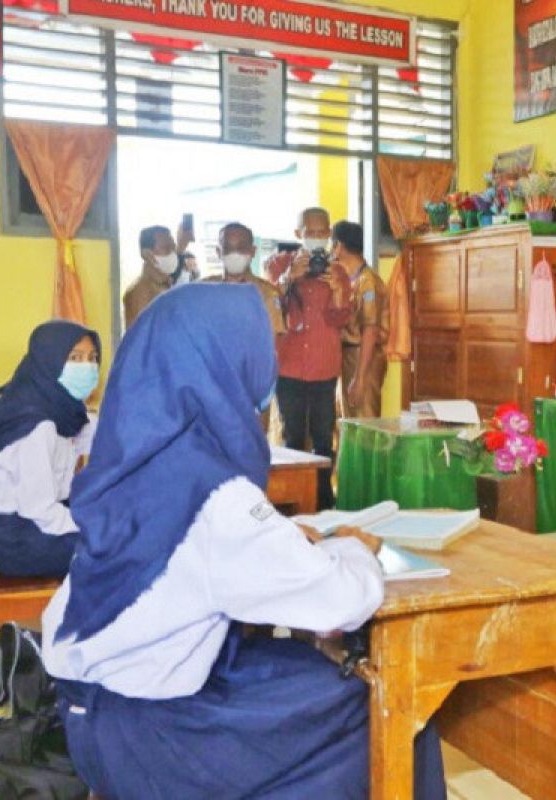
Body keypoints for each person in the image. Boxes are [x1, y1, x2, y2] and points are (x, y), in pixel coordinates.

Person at [40, 284, 445, 799]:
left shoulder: (130, 463)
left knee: (300, 669)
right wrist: (354, 549)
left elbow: (192, 557)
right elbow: (339, 603)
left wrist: (276, 539)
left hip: (91, 714)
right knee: (397, 707)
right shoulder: (216, 498)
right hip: (156, 742)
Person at [0, 321, 100, 578]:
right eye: (75, 358)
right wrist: (97, 527)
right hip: (20, 541)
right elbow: (39, 510)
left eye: (93, 358)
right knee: (125, 550)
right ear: (47, 362)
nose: (87, 367)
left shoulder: (63, 411)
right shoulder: (35, 424)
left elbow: (100, 444)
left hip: (41, 522)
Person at [274, 207, 353, 510]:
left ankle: (322, 500)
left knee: (323, 438)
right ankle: (291, 501)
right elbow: (270, 309)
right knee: (292, 436)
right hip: (290, 365)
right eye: (311, 232)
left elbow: (340, 319)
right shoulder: (279, 264)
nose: (317, 239)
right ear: (298, 234)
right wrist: (286, 280)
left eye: (323, 232)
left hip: (323, 367)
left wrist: (336, 293)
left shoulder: (339, 272)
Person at [333, 220, 388, 419]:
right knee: (347, 423)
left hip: (363, 358)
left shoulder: (368, 282)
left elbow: (370, 329)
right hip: (349, 358)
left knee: (364, 422)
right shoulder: (349, 280)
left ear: (338, 246)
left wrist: (360, 377)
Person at [204, 222, 286, 338]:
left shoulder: (268, 293)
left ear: (252, 251)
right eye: (228, 248)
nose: (234, 253)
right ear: (218, 252)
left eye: (241, 248)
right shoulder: (203, 290)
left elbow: (272, 342)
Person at [122, 220, 196, 328]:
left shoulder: (164, 285)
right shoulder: (141, 292)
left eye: (173, 247)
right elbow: (140, 340)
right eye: (166, 248)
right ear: (146, 254)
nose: (172, 253)